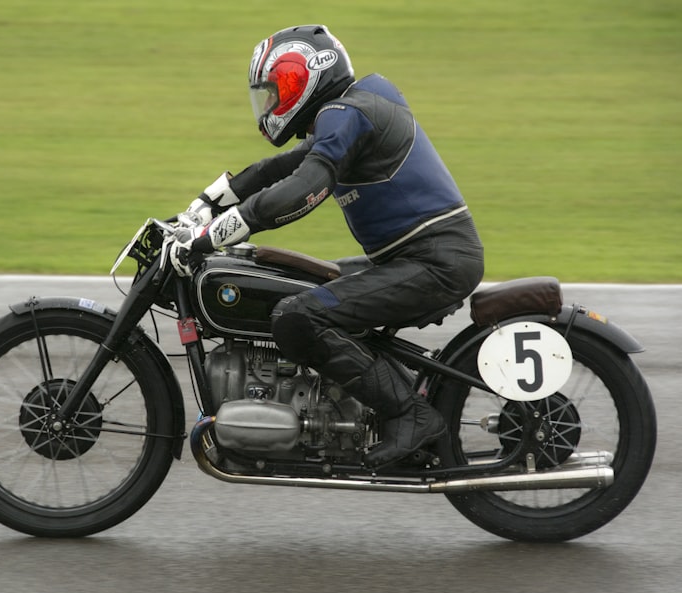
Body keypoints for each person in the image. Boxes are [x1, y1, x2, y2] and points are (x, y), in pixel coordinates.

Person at [172, 24, 485, 468]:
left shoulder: (346, 113)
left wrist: (217, 233)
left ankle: (410, 415)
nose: (271, 103)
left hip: (434, 261)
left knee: (298, 317)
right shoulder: (348, 113)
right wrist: (202, 205)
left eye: (278, 88)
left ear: (306, 77)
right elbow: (273, 170)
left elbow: (303, 186)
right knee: (296, 284)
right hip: (416, 256)